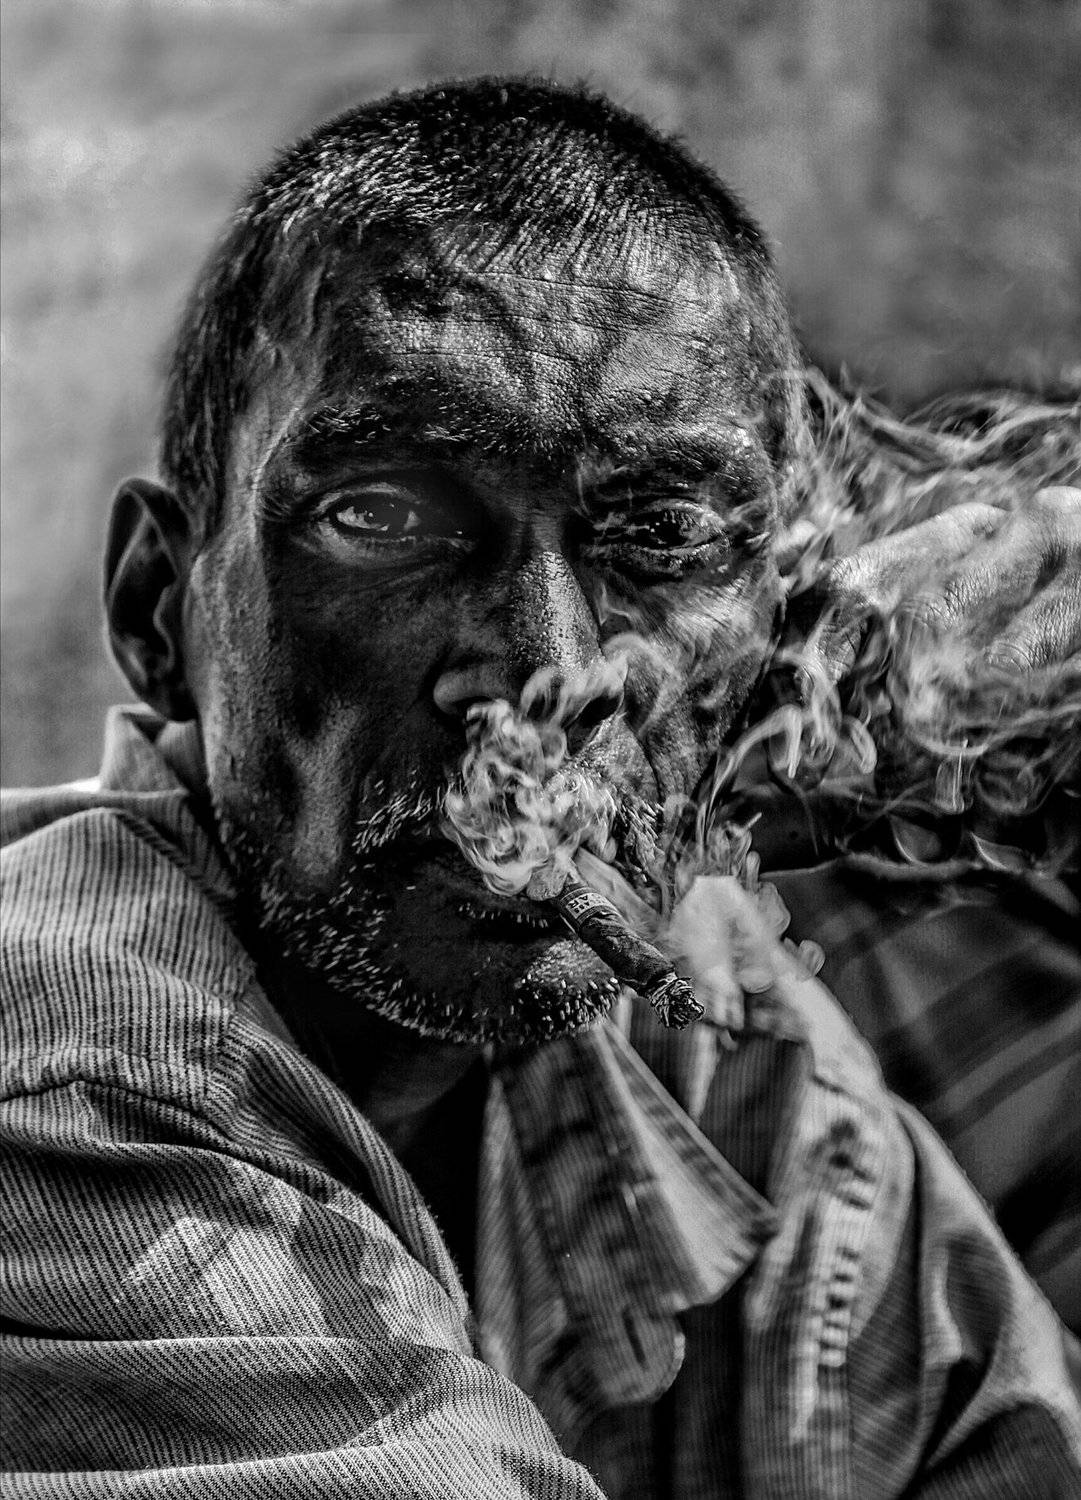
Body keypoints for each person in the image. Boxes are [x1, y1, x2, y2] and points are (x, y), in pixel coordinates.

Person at [2, 76, 1079, 1499]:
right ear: (159, 610)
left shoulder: (703, 1021)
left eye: (663, 532)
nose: (543, 671)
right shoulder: (71, 1073)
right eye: (384, 515)